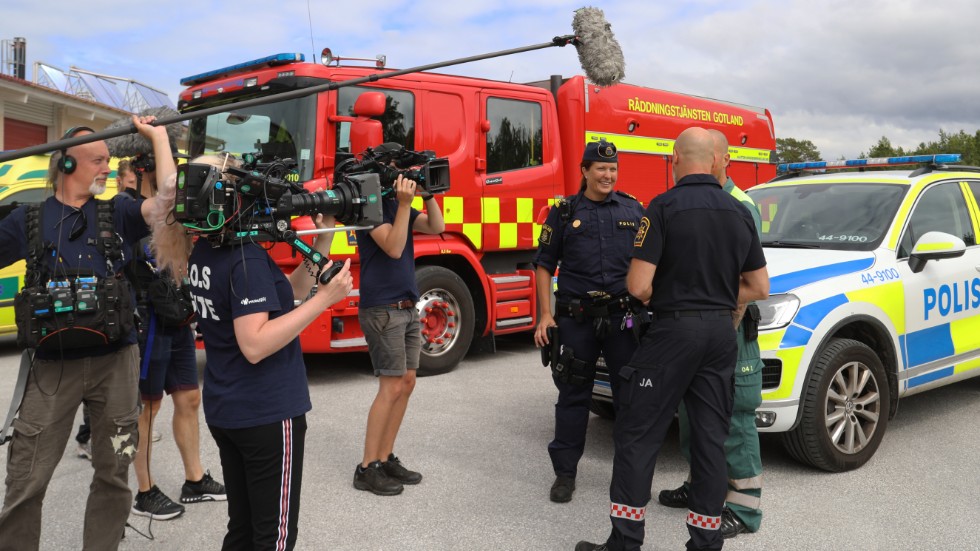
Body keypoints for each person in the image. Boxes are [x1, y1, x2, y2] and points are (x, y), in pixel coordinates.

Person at [575, 127, 769, 551]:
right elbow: (759, 285)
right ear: (715, 161)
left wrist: (679, 293)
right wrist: (714, 297)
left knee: (637, 435)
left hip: (673, 332)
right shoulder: (738, 209)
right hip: (720, 335)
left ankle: (625, 542)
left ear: (676, 159)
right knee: (709, 439)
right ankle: (704, 542)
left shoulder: (662, 207)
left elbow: (640, 286)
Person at [0, 117, 177, 550]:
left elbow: (171, 202)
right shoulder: (29, 219)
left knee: (114, 475)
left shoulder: (119, 210)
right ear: (65, 163)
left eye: (108, 160)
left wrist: (159, 137)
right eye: (98, 159)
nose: (107, 167)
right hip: (50, 369)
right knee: (26, 479)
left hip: (115, 363)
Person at [160, 154, 353, 550]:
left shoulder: (208, 252)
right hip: (265, 412)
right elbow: (254, 344)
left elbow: (289, 291)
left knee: (244, 530)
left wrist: (323, 238)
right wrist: (325, 302)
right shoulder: (244, 259)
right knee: (274, 537)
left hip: (230, 409)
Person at [657, 130, 765, 538]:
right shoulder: (698, 202)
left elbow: (743, 282)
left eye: (709, 156)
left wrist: (722, 331)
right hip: (705, 328)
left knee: (734, 416)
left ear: (721, 159)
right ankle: (704, 487)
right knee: (694, 413)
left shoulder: (739, 206)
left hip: (728, 330)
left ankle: (744, 510)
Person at [117, 148, 226, 521]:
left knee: (189, 399)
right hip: (147, 318)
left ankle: (195, 480)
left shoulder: (181, 206)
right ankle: (144, 492)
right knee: (147, 408)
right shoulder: (128, 208)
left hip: (178, 316)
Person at [532, 139, 644, 503]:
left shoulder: (633, 209)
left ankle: (630, 475)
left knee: (630, 399)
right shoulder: (563, 212)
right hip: (576, 320)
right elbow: (544, 265)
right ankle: (565, 474)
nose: (608, 175)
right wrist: (545, 315)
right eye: (600, 169)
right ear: (584, 171)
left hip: (622, 319)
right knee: (572, 397)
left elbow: (649, 260)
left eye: (613, 169)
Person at [353, 173, 444, 496]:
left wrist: (429, 194)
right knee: (390, 386)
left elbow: (437, 227)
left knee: (406, 383)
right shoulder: (370, 208)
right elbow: (393, 247)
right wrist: (405, 204)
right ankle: (367, 468)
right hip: (382, 308)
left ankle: (385, 456)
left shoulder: (397, 205)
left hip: (407, 306)